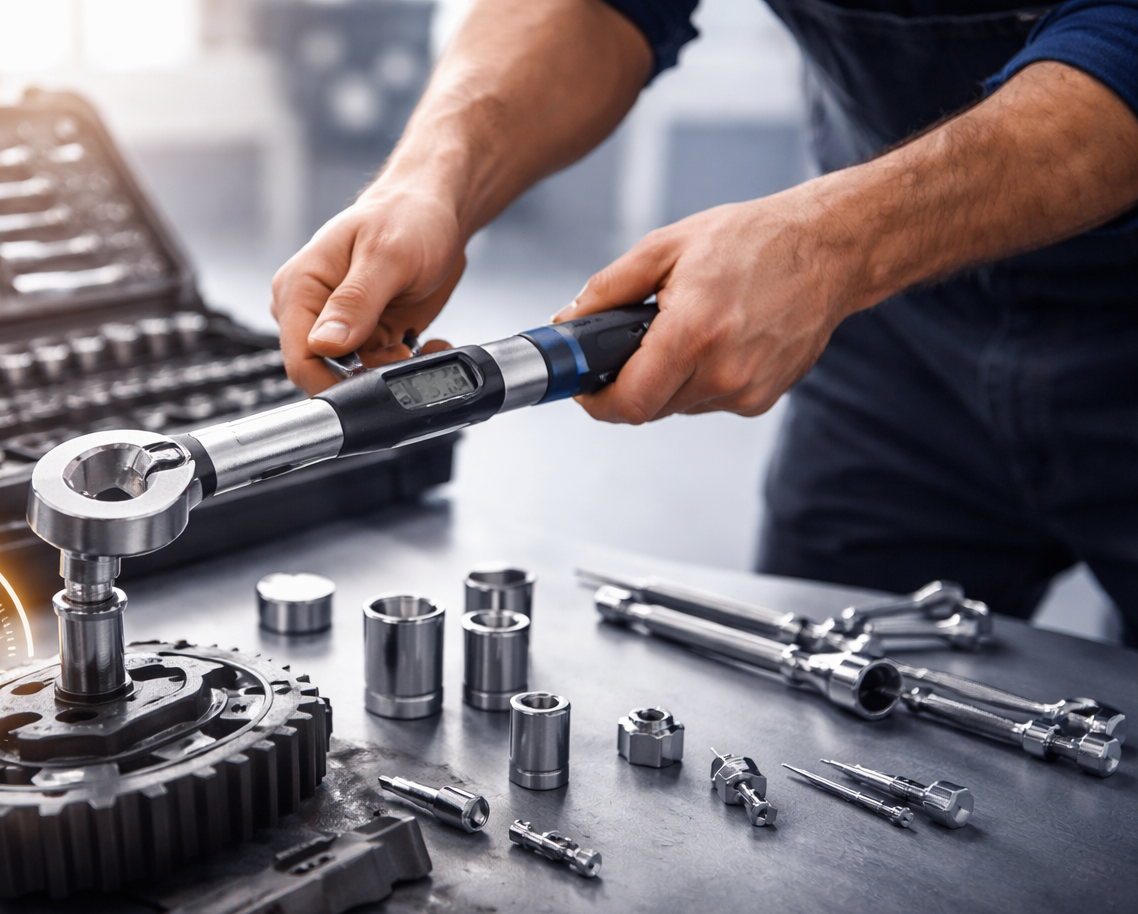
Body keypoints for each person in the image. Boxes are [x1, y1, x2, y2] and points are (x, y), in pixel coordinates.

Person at [269, 0, 1138, 642]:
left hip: (950, 283)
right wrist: (434, 174)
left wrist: (838, 242)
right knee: (822, 689)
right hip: (899, 334)